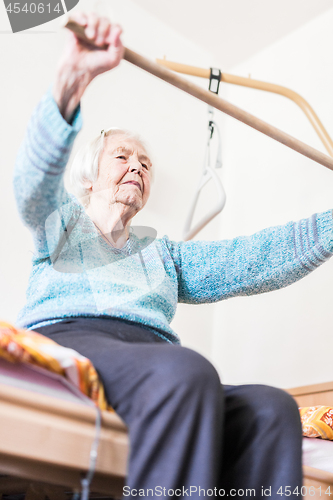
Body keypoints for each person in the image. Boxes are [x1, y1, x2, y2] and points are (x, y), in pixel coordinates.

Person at [13, 12, 333, 499]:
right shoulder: (63, 224)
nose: (137, 167)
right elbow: (32, 187)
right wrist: (68, 87)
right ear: (88, 176)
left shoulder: (162, 255)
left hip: (152, 361)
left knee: (273, 410)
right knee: (187, 369)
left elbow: (253, 259)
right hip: (73, 342)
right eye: (122, 157)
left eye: (145, 163)